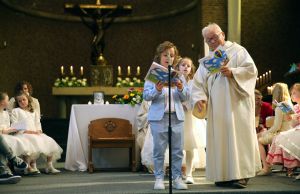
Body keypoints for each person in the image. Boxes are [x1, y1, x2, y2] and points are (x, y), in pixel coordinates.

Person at [191, 23, 261, 188]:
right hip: (217, 108)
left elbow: (251, 70)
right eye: (208, 40)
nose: (212, 42)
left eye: (214, 37)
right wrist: (200, 98)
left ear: (222, 34)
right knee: (221, 138)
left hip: (237, 104)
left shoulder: (238, 51)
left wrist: (233, 73)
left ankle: (241, 175)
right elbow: (197, 83)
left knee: (238, 138)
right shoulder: (207, 61)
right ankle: (222, 174)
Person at [143, 41, 188, 190]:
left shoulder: (179, 75)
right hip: (159, 118)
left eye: (172, 55)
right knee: (159, 150)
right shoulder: (153, 75)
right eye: (165, 55)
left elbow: (186, 96)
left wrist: (181, 88)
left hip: (176, 118)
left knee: (177, 151)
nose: (169, 58)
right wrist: (156, 89)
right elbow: (147, 96)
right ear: (160, 56)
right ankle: (159, 178)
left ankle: (177, 179)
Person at [11, 91, 63, 174]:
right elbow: (14, 124)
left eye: (24, 100)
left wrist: (38, 130)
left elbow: (37, 123)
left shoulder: (33, 111)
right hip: (23, 133)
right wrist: (26, 131)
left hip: (34, 132)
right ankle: (28, 167)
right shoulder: (16, 111)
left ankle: (49, 166)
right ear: (17, 103)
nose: (22, 102)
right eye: (19, 101)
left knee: (49, 141)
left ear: (28, 100)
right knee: (30, 144)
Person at [175, 57, 207, 184]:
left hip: (190, 117)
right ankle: (178, 172)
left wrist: (195, 103)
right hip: (177, 116)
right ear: (178, 67)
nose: (185, 67)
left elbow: (196, 96)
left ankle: (189, 173)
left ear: (191, 68)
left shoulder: (194, 82)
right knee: (178, 147)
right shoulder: (174, 80)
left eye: (188, 66)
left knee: (190, 146)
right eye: (183, 65)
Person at [257, 83, 293, 175]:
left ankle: (266, 167)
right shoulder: (288, 104)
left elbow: (277, 126)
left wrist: (266, 132)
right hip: (290, 133)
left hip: (282, 135)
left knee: (259, 140)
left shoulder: (280, 106)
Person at [266, 83, 300, 179]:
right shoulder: (295, 107)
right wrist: (291, 118)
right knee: (282, 137)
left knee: (287, 137)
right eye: (291, 93)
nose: (292, 95)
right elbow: (293, 124)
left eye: (294, 93)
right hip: (295, 128)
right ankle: (289, 167)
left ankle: (291, 167)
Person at [0, 92, 28, 184]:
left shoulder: (6, 113)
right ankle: (13, 159)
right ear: (2, 102)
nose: (9, 102)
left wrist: (12, 129)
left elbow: (7, 127)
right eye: (7, 100)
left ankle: (4, 171)